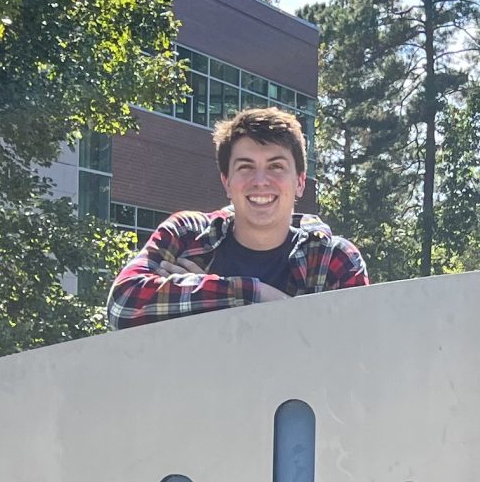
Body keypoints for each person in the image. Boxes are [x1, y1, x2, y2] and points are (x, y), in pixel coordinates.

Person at [105, 106, 369, 329]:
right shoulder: (187, 235)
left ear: (300, 182)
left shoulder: (333, 259)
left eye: (276, 166)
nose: (260, 181)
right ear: (227, 181)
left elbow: (354, 352)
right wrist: (256, 294)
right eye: (245, 167)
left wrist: (206, 294)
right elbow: (123, 306)